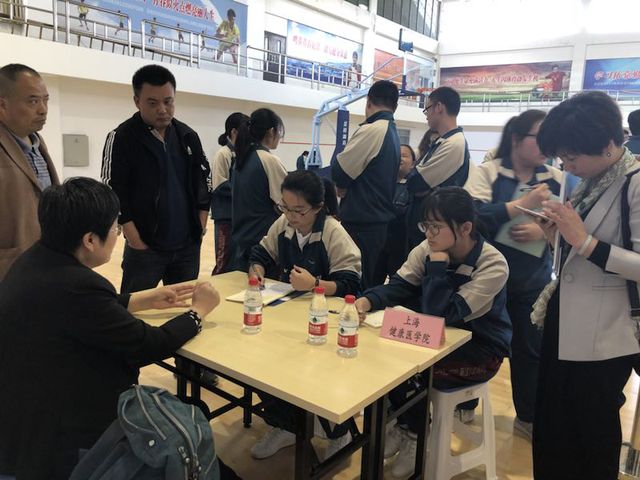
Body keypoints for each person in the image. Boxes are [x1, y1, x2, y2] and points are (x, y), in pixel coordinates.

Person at [0, 178, 221, 480]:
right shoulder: (80, 285)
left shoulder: (35, 261)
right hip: (63, 431)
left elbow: (78, 310)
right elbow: (149, 345)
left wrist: (143, 299)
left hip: (23, 416)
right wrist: (199, 312)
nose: (118, 234)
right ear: (90, 240)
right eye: (116, 227)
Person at [355, 187, 511, 478]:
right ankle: (405, 425)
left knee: (410, 370)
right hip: (435, 340)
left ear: (465, 228)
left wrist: (437, 269)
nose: (429, 234)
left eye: (436, 226)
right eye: (425, 225)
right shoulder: (427, 248)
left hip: (481, 350)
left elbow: (446, 314)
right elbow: (400, 285)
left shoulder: (493, 263)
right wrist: (368, 300)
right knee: (380, 356)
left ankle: (416, 435)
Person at [529, 91, 640, 479]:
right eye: (562, 157)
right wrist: (555, 238)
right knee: (554, 422)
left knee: (591, 430)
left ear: (608, 143)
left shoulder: (634, 183)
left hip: (607, 332)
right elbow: (576, 258)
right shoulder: (589, 183)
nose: (567, 165)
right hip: (566, 317)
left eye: (572, 156)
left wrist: (582, 241)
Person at [247, 170, 361, 460]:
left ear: (318, 207)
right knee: (261, 361)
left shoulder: (333, 232)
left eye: (299, 210)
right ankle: (286, 424)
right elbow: (260, 254)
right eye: (285, 208)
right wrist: (257, 272)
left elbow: (351, 284)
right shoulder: (284, 224)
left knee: (318, 375)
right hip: (288, 315)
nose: (291, 216)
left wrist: (315, 284)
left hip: (327, 322)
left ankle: (339, 432)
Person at [465, 110, 562, 440]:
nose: (547, 144)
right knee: (475, 343)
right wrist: (522, 204)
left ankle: (528, 417)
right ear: (518, 138)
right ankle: (464, 405)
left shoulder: (555, 177)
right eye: (539, 136)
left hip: (532, 281)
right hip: (487, 281)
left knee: (530, 352)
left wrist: (544, 231)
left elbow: (570, 222)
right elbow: (473, 217)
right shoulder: (489, 172)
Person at [101, 64, 212, 294]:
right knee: (136, 308)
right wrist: (136, 241)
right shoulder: (121, 138)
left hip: (187, 248)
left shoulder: (188, 136)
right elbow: (113, 191)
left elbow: (203, 182)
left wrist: (199, 228)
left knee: (182, 308)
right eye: (152, 103)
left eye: (168, 101)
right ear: (137, 101)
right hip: (145, 250)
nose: (162, 109)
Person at [331, 80, 400, 290]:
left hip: (362, 224)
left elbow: (339, 172)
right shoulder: (391, 131)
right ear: (395, 106)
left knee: (353, 285)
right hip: (374, 223)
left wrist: (343, 186)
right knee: (367, 284)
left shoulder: (373, 130)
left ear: (368, 102)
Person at [0, 63, 59, 281]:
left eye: (46, 100)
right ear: (2, 105)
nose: (43, 109)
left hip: (47, 266)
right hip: (10, 274)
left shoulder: (38, 144)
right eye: (33, 101)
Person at [406, 86, 472, 250]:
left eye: (427, 109)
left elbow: (415, 182)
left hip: (436, 227)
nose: (426, 115)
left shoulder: (454, 143)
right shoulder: (442, 141)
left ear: (439, 107)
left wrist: (421, 184)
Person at [230, 108, 287, 272]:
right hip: (263, 244)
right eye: (279, 132)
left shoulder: (241, 159)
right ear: (271, 131)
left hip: (242, 241)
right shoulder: (268, 160)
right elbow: (286, 203)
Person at [372, 144, 416, 284]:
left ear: (413, 163)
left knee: (397, 283)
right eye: (396, 155)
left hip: (401, 245)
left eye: (404, 155)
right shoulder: (380, 184)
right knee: (372, 281)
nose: (399, 158)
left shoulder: (414, 187)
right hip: (379, 243)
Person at [211, 112, 248, 275]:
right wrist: (246, 191)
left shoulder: (243, 154)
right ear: (234, 132)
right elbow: (219, 185)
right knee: (223, 263)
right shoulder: (223, 154)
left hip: (240, 218)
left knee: (237, 263)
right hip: (225, 218)